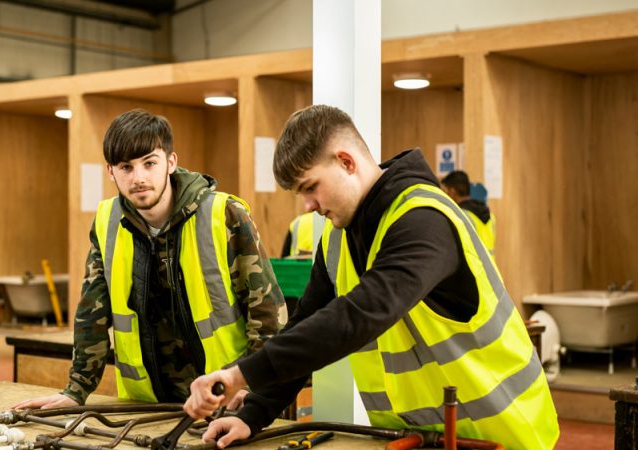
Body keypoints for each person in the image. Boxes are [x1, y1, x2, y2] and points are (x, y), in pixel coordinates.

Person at [183, 105, 559, 450]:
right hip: (424, 437)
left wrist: (242, 374)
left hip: (502, 434)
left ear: (347, 162)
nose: (308, 206)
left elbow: (360, 314)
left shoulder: (424, 219)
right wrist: (253, 413)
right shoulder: (337, 239)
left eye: (311, 187)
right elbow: (307, 324)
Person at [13, 109, 284, 409]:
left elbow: (268, 314)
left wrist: (251, 385)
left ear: (170, 162)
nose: (139, 178)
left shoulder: (224, 215)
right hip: (146, 406)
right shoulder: (107, 222)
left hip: (225, 400)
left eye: (149, 163)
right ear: (110, 172)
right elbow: (93, 313)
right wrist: (75, 391)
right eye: (126, 167)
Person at [441, 171, 496, 258]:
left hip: (472, 270)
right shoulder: (490, 215)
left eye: (444, 191)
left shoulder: (460, 217)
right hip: (490, 270)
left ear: (452, 192)